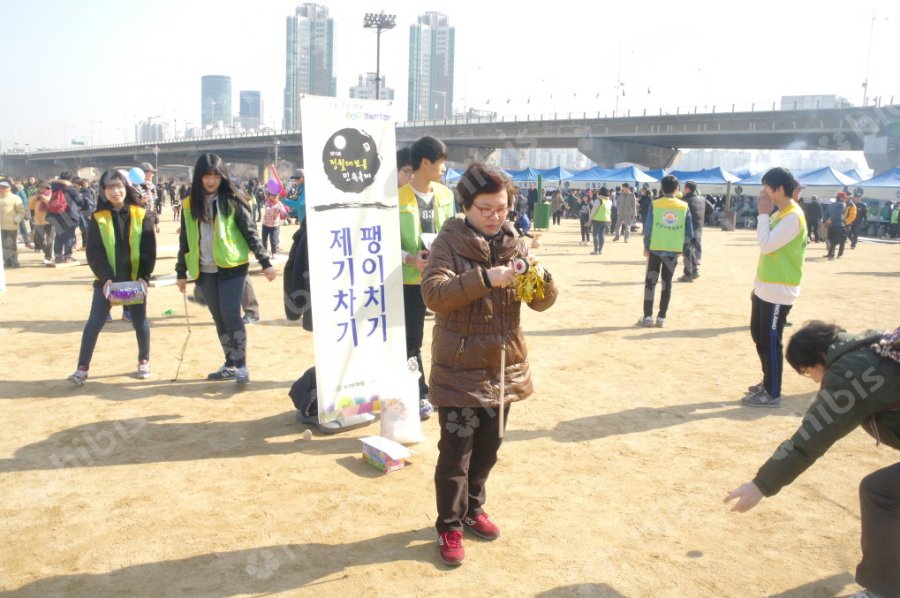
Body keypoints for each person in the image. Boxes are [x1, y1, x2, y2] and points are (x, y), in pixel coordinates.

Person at [422, 163, 558, 567]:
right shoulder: (448, 242)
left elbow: (542, 302)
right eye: (486, 208)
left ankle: (473, 508)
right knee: (455, 453)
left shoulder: (516, 241)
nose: (496, 215)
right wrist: (487, 278)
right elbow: (434, 293)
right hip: (459, 367)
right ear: (466, 205)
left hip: (503, 366)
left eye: (502, 208)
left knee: (489, 448)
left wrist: (538, 276)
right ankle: (448, 524)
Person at [725, 321, 900, 598]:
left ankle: (884, 591)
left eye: (808, 373)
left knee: (878, 490)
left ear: (818, 358)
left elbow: (810, 437)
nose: (816, 381)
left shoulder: (851, 373)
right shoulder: (873, 344)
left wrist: (761, 484)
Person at [175, 154, 277, 385]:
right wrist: (181, 272)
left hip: (232, 266)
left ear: (222, 176)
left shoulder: (231, 200)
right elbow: (186, 241)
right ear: (199, 177)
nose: (211, 180)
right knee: (219, 318)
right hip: (204, 269)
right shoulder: (189, 204)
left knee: (231, 315)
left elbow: (250, 232)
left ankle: (241, 365)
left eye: (216, 175)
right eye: (206, 175)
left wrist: (265, 263)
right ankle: (229, 363)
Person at [67, 169, 156, 385]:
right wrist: (105, 277)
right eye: (110, 187)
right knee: (94, 323)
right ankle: (81, 368)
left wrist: (144, 276)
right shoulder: (98, 218)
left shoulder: (141, 214)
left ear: (126, 188)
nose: (115, 191)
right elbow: (94, 252)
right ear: (103, 191)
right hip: (107, 283)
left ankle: (144, 360)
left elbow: (148, 249)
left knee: (140, 322)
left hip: (134, 280)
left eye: (119, 186)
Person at [398, 135, 455, 419]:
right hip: (409, 282)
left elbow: (455, 235)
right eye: (441, 162)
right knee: (412, 340)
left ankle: (444, 389)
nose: (444, 168)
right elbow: (382, 245)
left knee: (449, 335)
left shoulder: (447, 195)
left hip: (444, 278)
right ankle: (419, 392)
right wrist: (410, 259)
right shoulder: (397, 199)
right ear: (425, 162)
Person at [743, 167, 806, 408]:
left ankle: (773, 391)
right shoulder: (782, 213)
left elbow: (767, 245)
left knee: (770, 340)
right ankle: (767, 380)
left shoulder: (792, 216)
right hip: (765, 287)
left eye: (767, 188)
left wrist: (762, 215)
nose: (763, 193)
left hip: (779, 291)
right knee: (759, 336)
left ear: (779, 189)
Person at [637, 175, 692, 328]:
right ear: (677, 189)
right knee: (667, 283)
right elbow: (689, 232)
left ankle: (647, 317)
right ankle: (661, 317)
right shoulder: (684, 206)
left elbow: (647, 229)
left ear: (661, 188)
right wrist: (683, 248)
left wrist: (646, 246)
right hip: (673, 251)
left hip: (656, 248)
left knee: (650, 283)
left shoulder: (655, 204)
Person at [47, 171, 82, 263]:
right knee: (69, 236)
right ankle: (67, 257)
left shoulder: (54, 188)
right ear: (69, 179)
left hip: (55, 215)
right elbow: (80, 201)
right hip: (68, 215)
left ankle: (58, 256)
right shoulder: (70, 189)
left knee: (59, 235)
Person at [678, 181, 705, 282]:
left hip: (688, 229)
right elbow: (710, 209)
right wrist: (700, 218)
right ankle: (694, 271)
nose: (683, 189)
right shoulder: (702, 199)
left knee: (687, 252)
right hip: (698, 228)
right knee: (690, 251)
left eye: (684, 187)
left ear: (688, 188)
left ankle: (688, 274)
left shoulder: (685, 200)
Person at [0, 180, 25, 267]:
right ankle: (7, 262)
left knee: (11, 244)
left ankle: (15, 261)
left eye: (3, 187)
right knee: (3, 245)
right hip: (1, 227)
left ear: (8, 189)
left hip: (11, 226)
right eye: (1, 187)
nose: (1, 189)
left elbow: (21, 211)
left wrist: (16, 220)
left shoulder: (15, 198)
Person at [825, 192, 849, 259]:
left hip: (831, 226)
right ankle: (840, 255)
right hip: (839, 224)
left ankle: (831, 254)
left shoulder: (831, 205)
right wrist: (832, 219)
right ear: (841, 198)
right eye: (844, 197)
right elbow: (839, 214)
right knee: (843, 239)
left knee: (833, 240)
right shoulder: (843, 204)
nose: (845, 199)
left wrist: (828, 221)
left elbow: (825, 214)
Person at [589, 187, 612, 255]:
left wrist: (590, 219)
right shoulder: (609, 201)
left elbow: (593, 211)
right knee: (602, 235)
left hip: (597, 219)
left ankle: (596, 251)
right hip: (606, 220)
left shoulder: (598, 200)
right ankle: (600, 250)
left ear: (600, 193)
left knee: (595, 235)